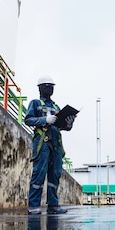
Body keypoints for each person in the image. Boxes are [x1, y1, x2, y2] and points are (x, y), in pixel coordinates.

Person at [25, 75, 75, 215]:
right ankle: (33, 205)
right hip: (43, 143)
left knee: (55, 174)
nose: (49, 88)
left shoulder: (56, 106)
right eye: (47, 86)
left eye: (51, 86)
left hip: (56, 144)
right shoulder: (35, 103)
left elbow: (63, 126)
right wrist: (44, 119)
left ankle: (53, 205)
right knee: (39, 173)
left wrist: (69, 123)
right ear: (40, 88)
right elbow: (28, 120)